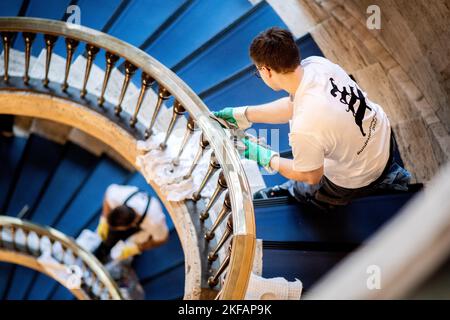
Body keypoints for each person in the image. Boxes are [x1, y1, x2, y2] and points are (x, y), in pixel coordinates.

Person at [214, 27, 411, 210]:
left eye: (258, 71)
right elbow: (293, 106)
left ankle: (298, 194)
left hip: (359, 175)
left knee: (307, 189)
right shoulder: (318, 65)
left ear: (266, 70)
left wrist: (265, 157)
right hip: (383, 137)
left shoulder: (304, 128)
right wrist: (244, 114)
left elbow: (310, 176)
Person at [94, 184, 169, 263]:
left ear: (131, 225)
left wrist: (137, 248)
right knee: (108, 238)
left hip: (144, 229)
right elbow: (108, 194)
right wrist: (104, 218)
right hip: (138, 214)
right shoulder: (118, 196)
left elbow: (163, 239)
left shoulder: (154, 222)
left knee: (126, 249)